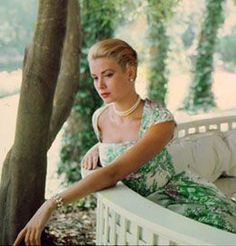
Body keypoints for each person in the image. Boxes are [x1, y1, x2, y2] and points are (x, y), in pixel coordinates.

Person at [14, 38, 236, 245]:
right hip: (137, 210)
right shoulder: (99, 118)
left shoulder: (160, 121)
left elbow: (114, 172)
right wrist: (99, 147)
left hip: (181, 198)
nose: (100, 85)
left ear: (130, 72)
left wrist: (51, 203)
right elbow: (123, 149)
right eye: (95, 77)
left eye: (108, 75)